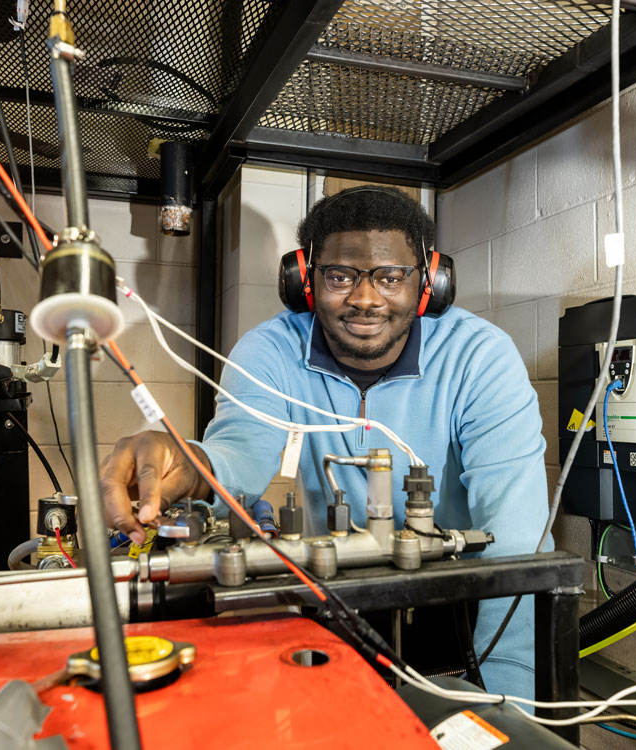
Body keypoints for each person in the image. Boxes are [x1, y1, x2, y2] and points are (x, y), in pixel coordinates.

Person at [100, 186, 549, 696]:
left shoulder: (480, 357)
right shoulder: (271, 349)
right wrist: (190, 463)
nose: (365, 299)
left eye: (391, 277)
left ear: (428, 281)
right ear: (305, 281)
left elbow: (517, 539)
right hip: (333, 602)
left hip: (464, 614)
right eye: (340, 276)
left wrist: (507, 698)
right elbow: (240, 451)